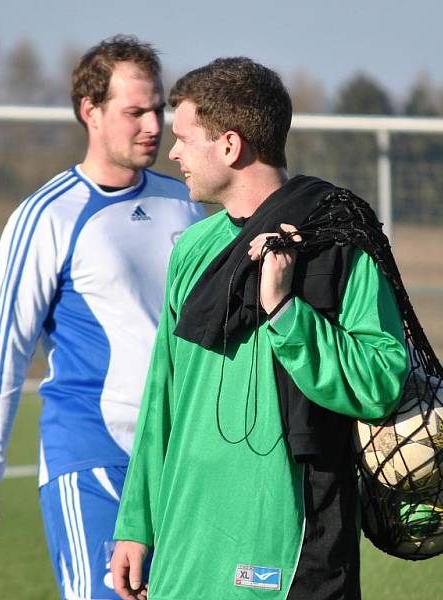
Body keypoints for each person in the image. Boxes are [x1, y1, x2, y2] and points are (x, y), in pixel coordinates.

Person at [109, 57, 409, 600]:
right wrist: (136, 524)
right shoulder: (192, 251)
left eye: (183, 137)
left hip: (290, 550)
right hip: (186, 545)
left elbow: (380, 380)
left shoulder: (339, 243)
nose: (170, 152)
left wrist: (286, 313)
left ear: (229, 145)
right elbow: (163, 400)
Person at [0, 35, 205, 599]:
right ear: (91, 112)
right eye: (134, 111)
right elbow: (2, 356)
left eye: (157, 110)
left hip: (184, 459)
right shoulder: (44, 217)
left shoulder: (186, 204)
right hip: (93, 458)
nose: (153, 126)